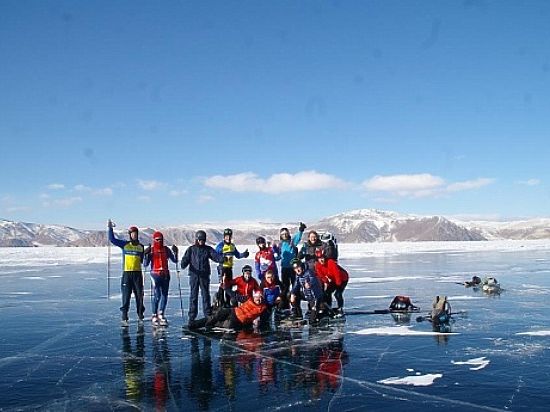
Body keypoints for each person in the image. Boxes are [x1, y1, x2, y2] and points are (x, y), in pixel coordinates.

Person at [180, 230, 224, 328]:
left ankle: (208, 315)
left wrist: (222, 258)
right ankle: (192, 317)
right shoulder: (191, 249)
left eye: (203, 240)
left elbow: (215, 256)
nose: (201, 242)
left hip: (204, 276)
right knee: (193, 296)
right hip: (194, 276)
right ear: (197, 239)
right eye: (200, 240)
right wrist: (183, 263)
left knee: (205, 295)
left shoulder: (207, 249)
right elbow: (185, 260)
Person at [108, 219, 145, 325]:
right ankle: (124, 315)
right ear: (130, 235)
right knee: (126, 295)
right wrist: (110, 228)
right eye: (132, 234)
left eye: (136, 234)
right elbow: (112, 239)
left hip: (137, 274)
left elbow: (142, 260)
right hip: (127, 274)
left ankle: (140, 314)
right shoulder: (125, 245)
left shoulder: (141, 247)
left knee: (139, 295)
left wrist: (146, 254)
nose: (134, 235)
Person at [188, 289, 267, 331]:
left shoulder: (262, 308)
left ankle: (207, 324)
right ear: (254, 296)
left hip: (237, 320)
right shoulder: (248, 299)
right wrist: (226, 288)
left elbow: (263, 317)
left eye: (260, 298)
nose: (258, 299)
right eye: (257, 297)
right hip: (232, 311)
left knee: (220, 323)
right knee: (216, 316)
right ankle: (195, 324)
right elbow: (236, 296)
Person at [143, 231, 178, 326]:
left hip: (165, 275)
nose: (159, 241)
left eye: (161, 240)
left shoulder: (166, 250)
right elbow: (145, 264)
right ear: (154, 240)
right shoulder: (152, 250)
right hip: (155, 275)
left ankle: (161, 313)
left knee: (165, 295)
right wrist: (146, 255)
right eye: (157, 240)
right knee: (157, 294)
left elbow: (175, 261)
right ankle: (154, 314)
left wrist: (176, 252)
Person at [215, 228, 250, 307]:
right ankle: (221, 302)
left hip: (229, 268)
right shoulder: (220, 245)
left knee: (229, 285)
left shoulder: (232, 246)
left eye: (229, 236)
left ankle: (227, 302)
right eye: (226, 236)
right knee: (222, 285)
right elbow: (215, 255)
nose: (228, 238)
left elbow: (237, 255)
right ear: (224, 237)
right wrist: (221, 257)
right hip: (222, 268)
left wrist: (244, 254)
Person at [278, 223, 306, 309]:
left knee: (295, 286)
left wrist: (301, 230)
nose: (285, 235)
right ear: (281, 236)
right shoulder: (280, 244)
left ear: (288, 234)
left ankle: (296, 305)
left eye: (286, 233)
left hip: (293, 268)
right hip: (284, 268)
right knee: (285, 287)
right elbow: (278, 255)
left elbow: (297, 237)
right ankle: (285, 306)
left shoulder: (292, 242)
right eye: (283, 234)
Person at [313, 249, 349, 315]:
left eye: (323, 258)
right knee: (327, 293)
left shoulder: (331, 262)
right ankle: (328, 307)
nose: (321, 260)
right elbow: (321, 276)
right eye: (319, 259)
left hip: (343, 278)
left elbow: (337, 274)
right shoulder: (317, 265)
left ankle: (340, 308)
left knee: (337, 294)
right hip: (333, 279)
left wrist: (338, 285)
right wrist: (326, 282)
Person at [289, 258, 325, 323]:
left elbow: (313, 279)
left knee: (312, 320)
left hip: (315, 297)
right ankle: (297, 313)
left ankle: (322, 313)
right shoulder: (298, 275)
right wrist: (292, 293)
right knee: (291, 295)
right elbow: (295, 286)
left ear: (301, 266)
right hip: (307, 295)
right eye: (295, 269)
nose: (297, 270)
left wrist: (309, 284)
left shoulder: (309, 272)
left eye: (298, 267)